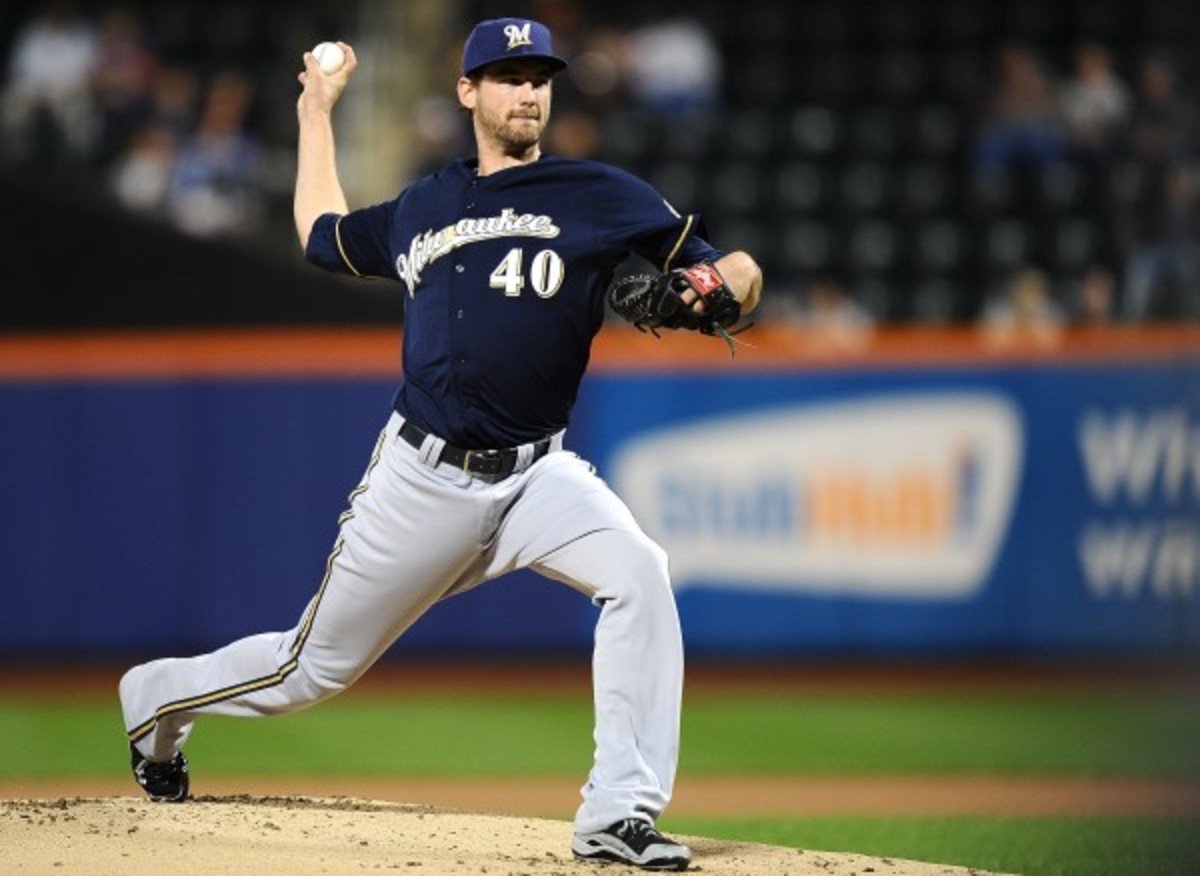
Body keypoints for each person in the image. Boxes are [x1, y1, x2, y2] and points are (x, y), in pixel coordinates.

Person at [117, 16, 762, 873]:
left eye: (539, 78)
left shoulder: (598, 193)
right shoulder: (424, 205)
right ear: (468, 91)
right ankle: (155, 697)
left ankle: (619, 813)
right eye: (509, 77)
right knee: (307, 671)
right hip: (423, 481)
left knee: (639, 573)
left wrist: (710, 284)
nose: (528, 91)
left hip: (538, 477)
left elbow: (740, 271)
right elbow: (319, 233)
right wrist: (316, 110)